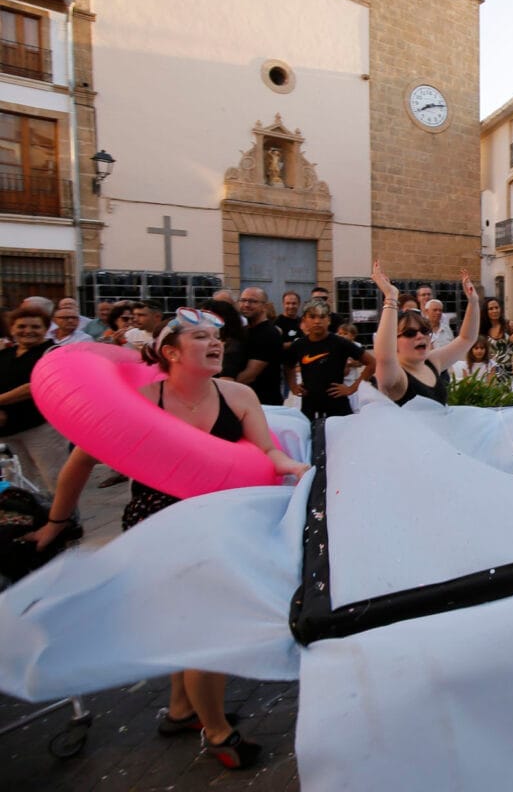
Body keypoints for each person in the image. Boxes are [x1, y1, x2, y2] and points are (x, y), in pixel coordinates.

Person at [27, 306, 308, 770]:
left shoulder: (237, 394)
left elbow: (267, 452)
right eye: (200, 337)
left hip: (220, 523)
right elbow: (79, 464)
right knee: (206, 628)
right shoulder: (139, 398)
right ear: (171, 351)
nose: (216, 342)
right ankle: (217, 731)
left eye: (218, 336)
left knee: (191, 620)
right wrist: (57, 523)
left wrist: (293, 466)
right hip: (160, 524)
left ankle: (181, 711)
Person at [370, 262, 480, 406]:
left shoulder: (432, 362)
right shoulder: (396, 375)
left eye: (424, 331)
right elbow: (384, 357)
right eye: (410, 333)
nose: (420, 336)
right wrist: (391, 296)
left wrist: (473, 302)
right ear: (394, 342)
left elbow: (466, 339)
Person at [0, 305, 66, 494]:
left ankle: (66, 520)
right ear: (12, 329)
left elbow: (34, 386)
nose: (28, 331)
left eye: (35, 327)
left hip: (41, 427)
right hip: (7, 430)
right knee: (15, 480)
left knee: (54, 477)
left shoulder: (52, 353)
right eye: (21, 326)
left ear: (46, 330)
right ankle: (24, 519)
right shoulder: (5, 354)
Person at [285, 301, 375, 420]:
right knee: (312, 437)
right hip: (310, 406)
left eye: (322, 317)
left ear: (329, 320)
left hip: (337, 405)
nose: (317, 321)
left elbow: (371, 362)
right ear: (305, 320)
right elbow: (287, 365)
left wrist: (352, 388)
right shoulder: (299, 345)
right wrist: (293, 386)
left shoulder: (340, 342)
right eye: (312, 317)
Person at [235, 288, 285, 406]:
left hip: (263, 404)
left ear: (264, 306)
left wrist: (220, 385)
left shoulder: (268, 333)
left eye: (253, 301)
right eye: (243, 300)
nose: (246, 304)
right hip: (245, 401)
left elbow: (250, 375)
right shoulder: (243, 331)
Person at [478, 297, 513, 381]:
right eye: (491, 309)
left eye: (496, 308)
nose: (495, 311)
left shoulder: (509, 325)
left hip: (512, 371)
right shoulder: (482, 329)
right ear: (485, 312)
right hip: (491, 372)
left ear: (500, 309)